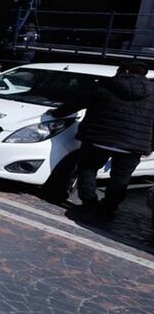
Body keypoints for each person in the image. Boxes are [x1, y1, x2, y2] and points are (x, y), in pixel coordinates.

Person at [51, 62, 154, 221]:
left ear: (123, 70)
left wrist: (57, 113)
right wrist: (149, 147)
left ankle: (89, 204)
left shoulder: (104, 85)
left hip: (98, 138)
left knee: (87, 170)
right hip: (133, 145)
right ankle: (108, 210)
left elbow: (76, 103)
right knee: (120, 179)